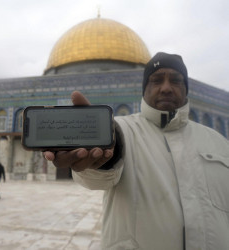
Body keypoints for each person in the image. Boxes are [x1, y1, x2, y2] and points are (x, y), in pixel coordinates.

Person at [44, 52, 229, 250]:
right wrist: (104, 158)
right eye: (157, 80)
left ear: (186, 88)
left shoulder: (218, 143)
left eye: (175, 81)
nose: (166, 88)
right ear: (144, 88)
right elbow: (102, 171)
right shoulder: (120, 130)